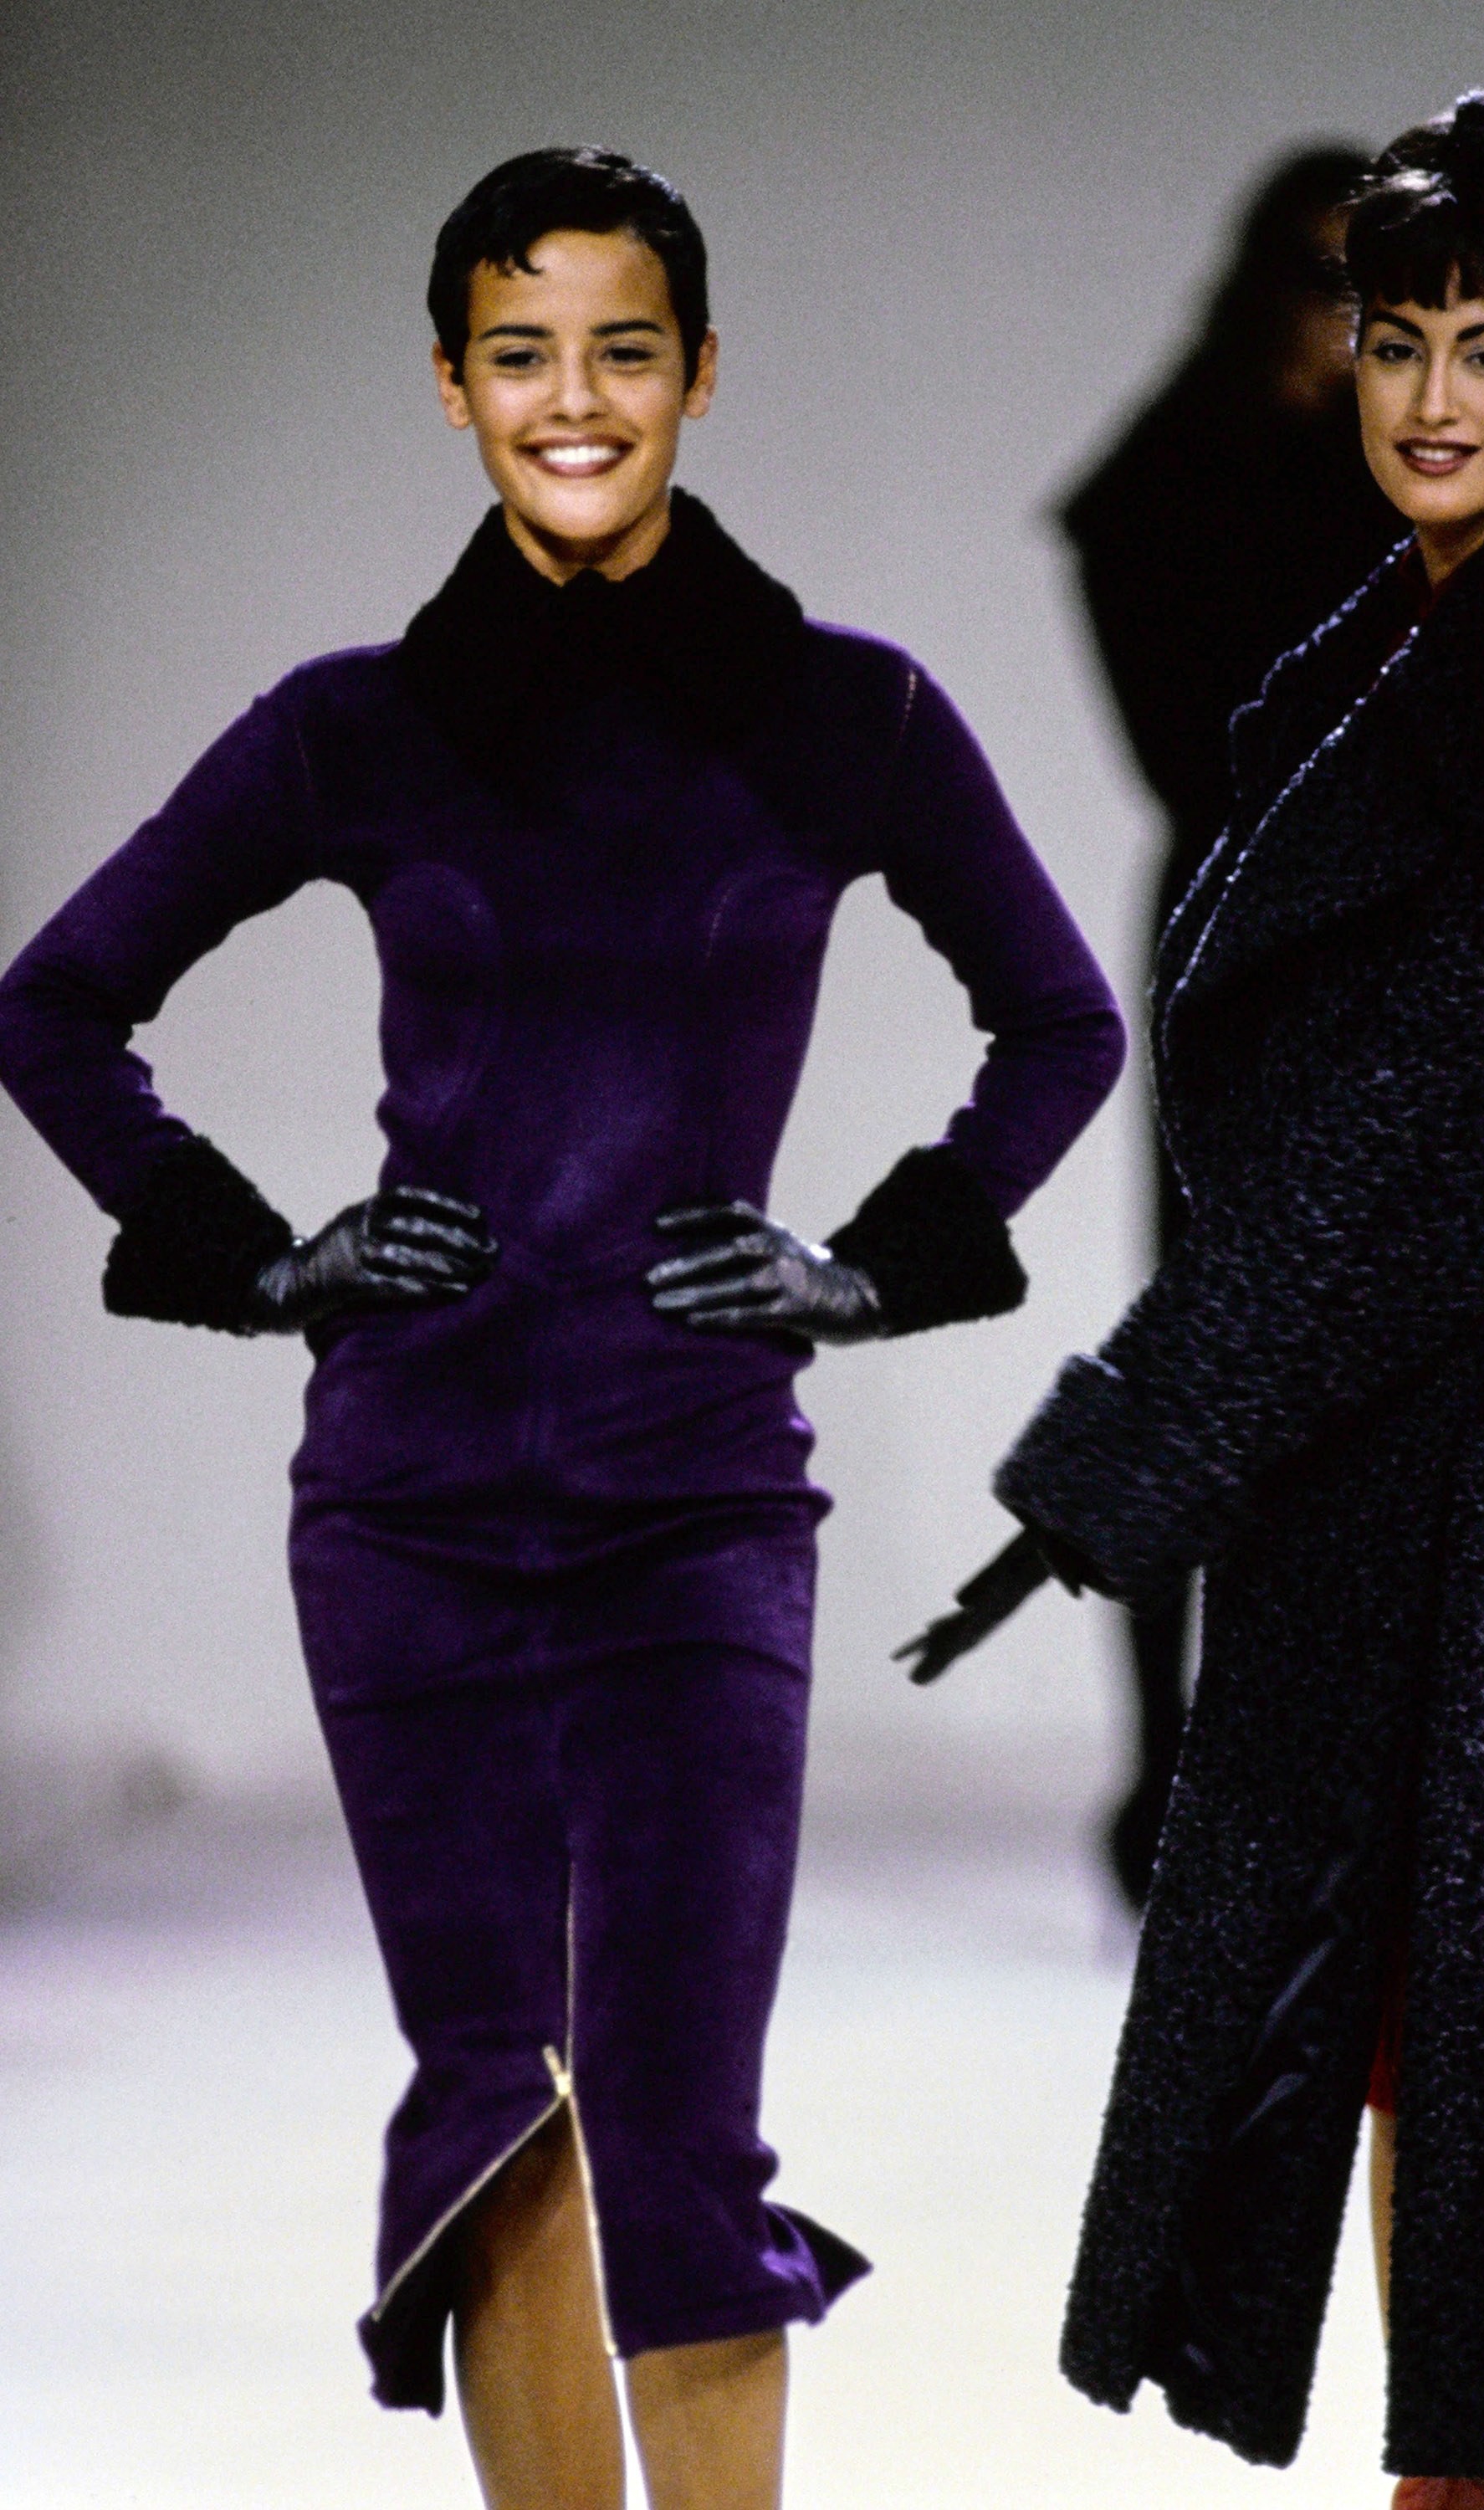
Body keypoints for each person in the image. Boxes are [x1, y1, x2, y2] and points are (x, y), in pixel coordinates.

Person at [0, 149, 1124, 2510]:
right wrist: (256, 1256)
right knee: (494, 2096)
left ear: (701, 372)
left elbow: (1059, 1021)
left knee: (684, 2130)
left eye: (623, 348)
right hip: (404, 1507)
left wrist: (873, 1268)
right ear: (452, 386)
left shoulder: (844, 716)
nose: (574, 398)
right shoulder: (357, 729)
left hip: (697, 1502)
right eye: (521, 353)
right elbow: (56, 1002)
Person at [979, 90, 1484, 2510]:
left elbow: (1475, 1125)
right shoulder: (1330, 678)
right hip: (1384, 1473)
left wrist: (1153, 1422)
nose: (1437, 397)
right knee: (1404, 2050)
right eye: (1397, 343)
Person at [1058, 144, 1401, 1909]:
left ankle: (1339, 1780)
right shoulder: (1173, 480)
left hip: (1402, 952)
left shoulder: (1411, 470)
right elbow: (1185, 749)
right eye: (1330, 278)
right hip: (1241, 946)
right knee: (1204, 1354)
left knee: (1386, 1365)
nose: (1356, 318)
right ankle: (1165, 1782)